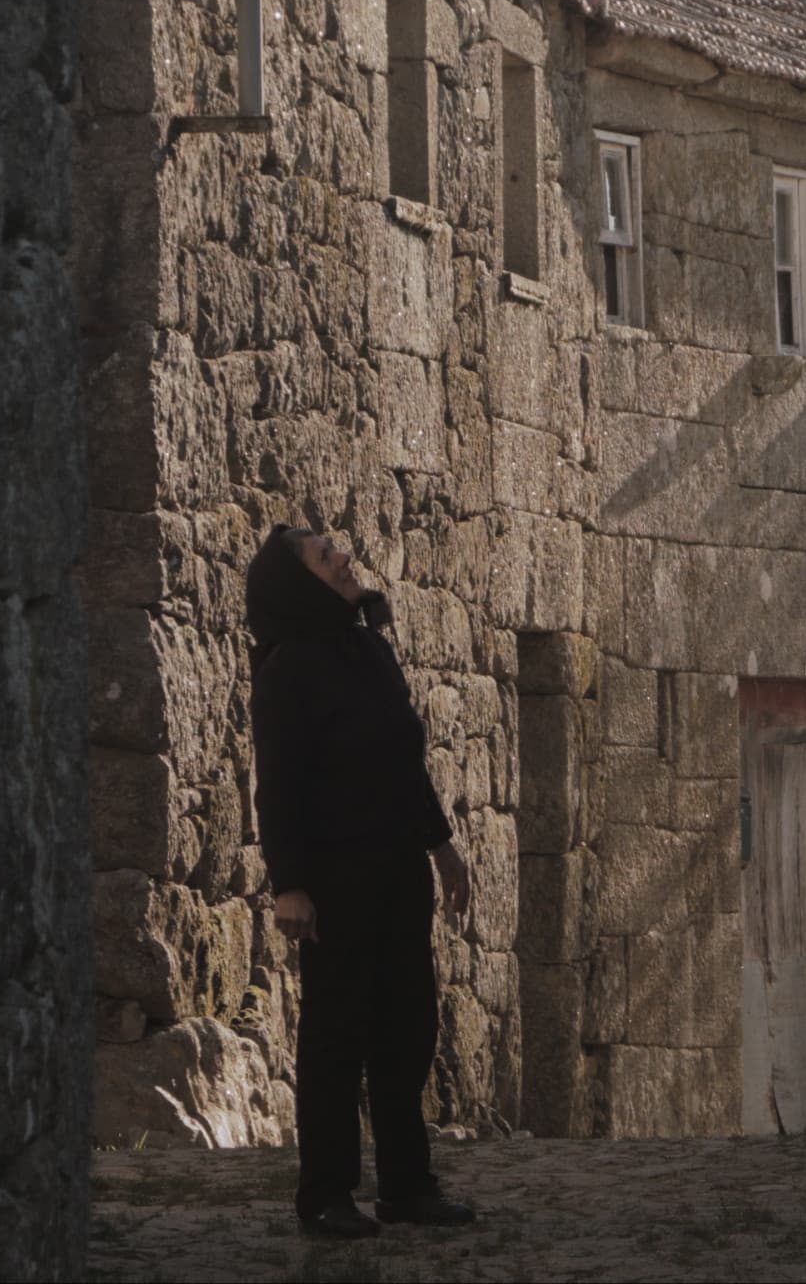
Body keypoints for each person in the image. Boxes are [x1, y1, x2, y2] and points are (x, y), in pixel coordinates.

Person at [248, 522, 480, 1239]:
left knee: (408, 1027)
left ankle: (407, 1186)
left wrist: (441, 846)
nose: (343, 558)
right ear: (298, 583)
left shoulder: (368, 650)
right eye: (325, 556)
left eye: (335, 550)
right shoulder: (288, 668)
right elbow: (278, 783)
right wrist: (289, 884)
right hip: (335, 881)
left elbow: (402, 758)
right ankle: (325, 1194)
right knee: (337, 1035)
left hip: (397, 871)